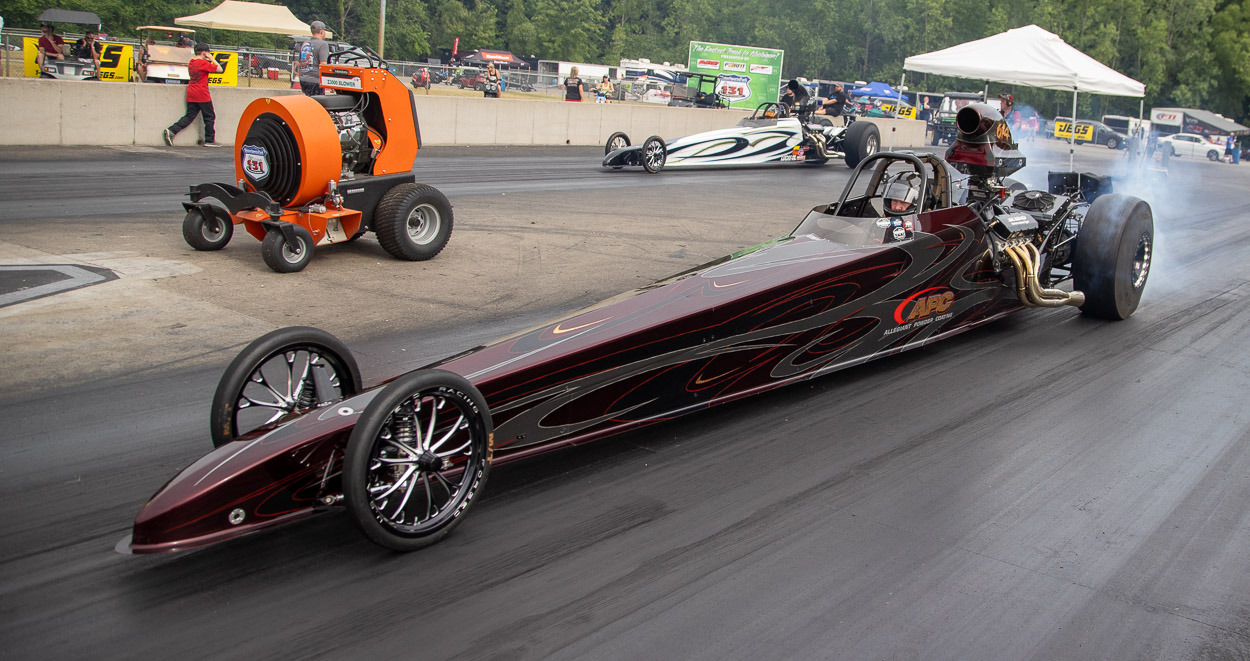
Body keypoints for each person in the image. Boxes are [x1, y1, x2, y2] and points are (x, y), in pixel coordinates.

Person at [164, 42, 224, 147]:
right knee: (209, 116)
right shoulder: (203, 63)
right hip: (202, 93)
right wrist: (212, 59)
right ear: (204, 52)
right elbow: (220, 69)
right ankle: (209, 140)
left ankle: (172, 130)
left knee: (189, 116)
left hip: (191, 92)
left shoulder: (192, 62)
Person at [298, 20, 331, 96]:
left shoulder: (305, 44)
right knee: (317, 102)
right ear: (322, 32)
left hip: (303, 80)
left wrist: (300, 80)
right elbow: (323, 64)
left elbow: (300, 64)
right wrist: (328, 82)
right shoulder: (323, 44)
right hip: (315, 81)